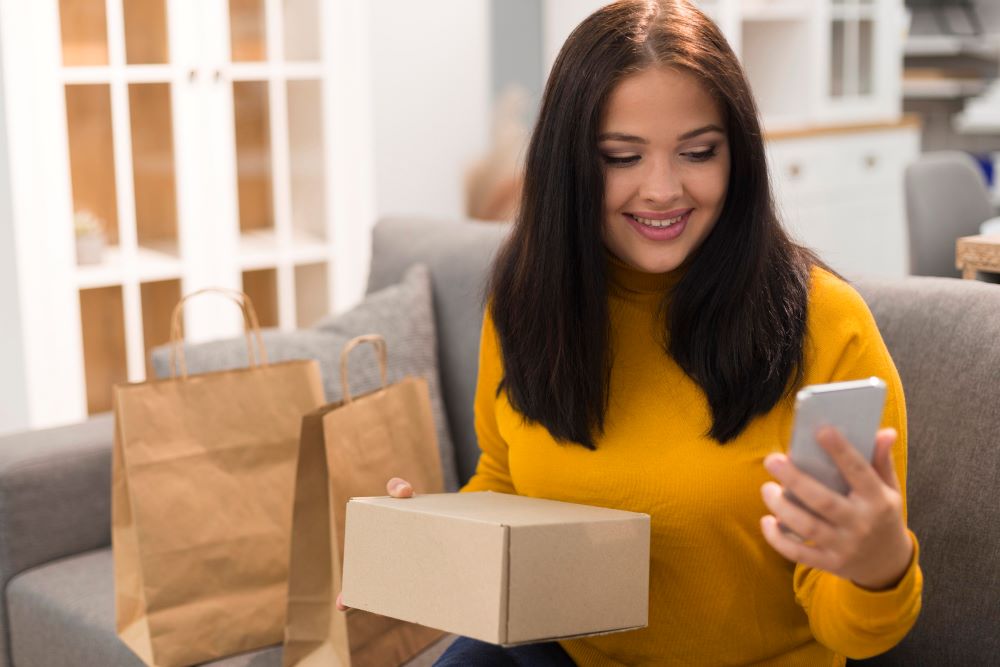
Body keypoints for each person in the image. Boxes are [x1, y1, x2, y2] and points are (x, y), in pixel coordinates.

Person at [339, 1, 923, 664]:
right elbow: (504, 481)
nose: (662, 189)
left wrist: (881, 565)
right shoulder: (529, 300)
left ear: (739, 156)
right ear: (569, 165)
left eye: (698, 152)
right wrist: (438, 541)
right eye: (621, 157)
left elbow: (852, 629)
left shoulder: (826, 325)